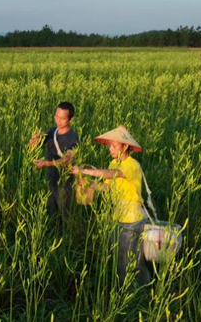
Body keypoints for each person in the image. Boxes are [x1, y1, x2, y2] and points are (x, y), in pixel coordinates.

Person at [71, 125, 151, 286]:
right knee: (123, 260)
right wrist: (89, 184)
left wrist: (85, 171)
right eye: (109, 146)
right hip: (117, 217)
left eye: (114, 146)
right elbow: (108, 187)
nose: (111, 150)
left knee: (128, 262)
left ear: (126, 146)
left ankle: (136, 294)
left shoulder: (132, 165)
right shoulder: (113, 163)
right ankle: (138, 290)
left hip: (132, 220)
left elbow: (112, 174)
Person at [29, 102, 79, 218]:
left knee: (64, 214)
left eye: (62, 118)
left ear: (71, 120)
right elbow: (32, 147)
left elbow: (68, 159)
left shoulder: (73, 137)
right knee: (51, 213)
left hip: (64, 182)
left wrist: (48, 163)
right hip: (50, 180)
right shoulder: (52, 131)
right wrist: (34, 140)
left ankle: (65, 235)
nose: (58, 121)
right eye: (56, 116)